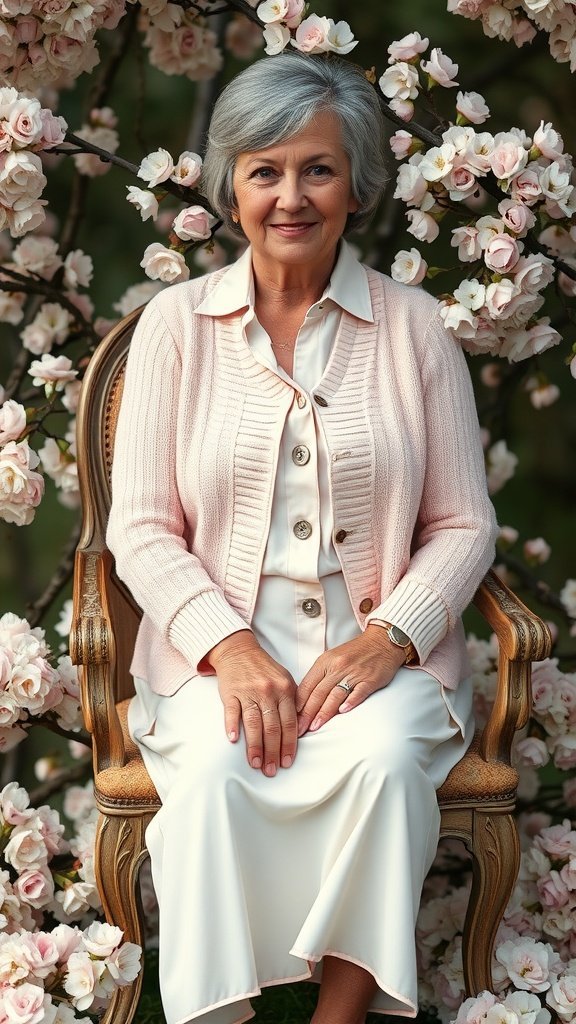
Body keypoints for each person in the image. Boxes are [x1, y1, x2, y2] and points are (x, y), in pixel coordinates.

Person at [106, 50, 497, 1024]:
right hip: (212, 655)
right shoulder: (174, 326)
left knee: (379, 763)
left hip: (378, 655)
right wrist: (226, 646)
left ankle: (340, 1015)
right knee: (214, 777)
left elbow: (464, 522)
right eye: (265, 170)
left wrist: (391, 636)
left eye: (317, 168)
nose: (291, 195)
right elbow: (142, 527)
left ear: (357, 184)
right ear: (230, 180)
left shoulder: (415, 329)